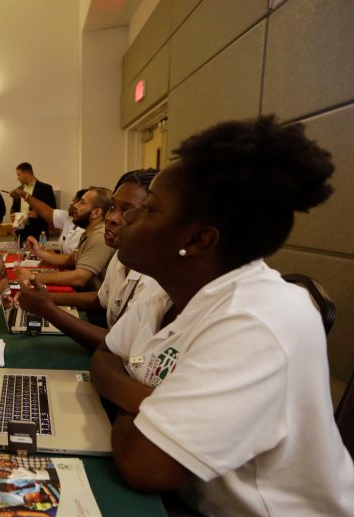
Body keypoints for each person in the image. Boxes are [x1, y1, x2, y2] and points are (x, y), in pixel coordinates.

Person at [90, 116, 354, 514]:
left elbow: (142, 465)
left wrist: (134, 406)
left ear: (197, 239)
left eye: (149, 210)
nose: (125, 218)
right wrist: (142, 398)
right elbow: (105, 357)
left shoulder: (257, 321)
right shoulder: (166, 290)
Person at [16, 170, 158, 348]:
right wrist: (46, 298)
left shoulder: (155, 278)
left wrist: (46, 307)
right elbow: (101, 300)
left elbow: (123, 347)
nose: (111, 217)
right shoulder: (122, 254)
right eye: (113, 207)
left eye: (127, 210)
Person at [17, 187, 114, 292]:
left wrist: (32, 276)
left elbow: (79, 278)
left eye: (82, 203)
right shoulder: (89, 232)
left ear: (96, 213)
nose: (75, 206)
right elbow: (71, 260)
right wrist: (39, 252)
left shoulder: (99, 237)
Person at [9, 188, 86, 255]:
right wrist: (24, 194)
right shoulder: (68, 217)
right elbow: (45, 211)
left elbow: (72, 260)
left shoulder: (86, 230)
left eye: (74, 201)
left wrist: (48, 255)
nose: (72, 204)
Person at [9, 162, 56, 244]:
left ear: (26, 174)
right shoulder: (19, 190)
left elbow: (53, 211)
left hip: (39, 233)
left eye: (19, 175)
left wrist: (38, 214)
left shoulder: (46, 189)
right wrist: (13, 215)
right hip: (21, 233)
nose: (18, 178)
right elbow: (14, 208)